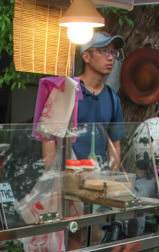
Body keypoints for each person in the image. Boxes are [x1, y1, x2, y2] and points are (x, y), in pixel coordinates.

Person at [41, 32, 126, 170]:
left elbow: (114, 144)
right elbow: (48, 139)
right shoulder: (66, 90)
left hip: (98, 182)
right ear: (86, 56)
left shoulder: (112, 98)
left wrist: (112, 179)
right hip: (68, 179)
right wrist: (52, 181)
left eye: (112, 52)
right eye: (103, 51)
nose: (110, 57)